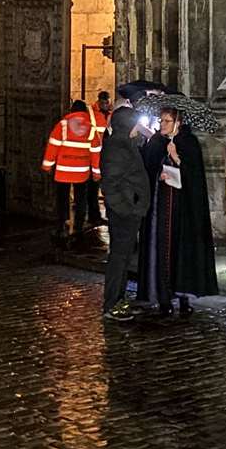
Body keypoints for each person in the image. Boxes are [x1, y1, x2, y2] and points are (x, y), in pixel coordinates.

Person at [138, 107, 218, 314]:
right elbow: (146, 169)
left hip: (184, 210)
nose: (162, 124)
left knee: (182, 252)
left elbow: (195, 176)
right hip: (161, 208)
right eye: (161, 120)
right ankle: (164, 297)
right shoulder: (155, 142)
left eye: (167, 121)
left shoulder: (188, 143)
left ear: (178, 123)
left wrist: (178, 158)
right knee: (162, 251)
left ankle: (184, 297)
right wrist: (158, 175)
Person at [99, 106, 153, 321]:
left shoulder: (125, 144)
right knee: (119, 258)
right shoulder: (117, 147)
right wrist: (128, 210)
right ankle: (112, 303)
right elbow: (110, 184)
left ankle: (119, 300)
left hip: (130, 212)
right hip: (124, 214)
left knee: (124, 258)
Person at [42, 100, 104, 243]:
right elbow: (96, 152)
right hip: (81, 171)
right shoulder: (91, 129)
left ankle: (61, 225)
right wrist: (96, 173)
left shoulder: (62, 125)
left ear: (72, 110)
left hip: (63, 170)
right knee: (80, 198)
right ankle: (79, 225)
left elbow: (53, 145)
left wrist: (47, 164)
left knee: (62, 198)